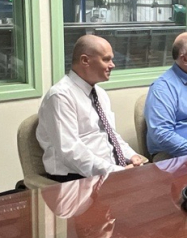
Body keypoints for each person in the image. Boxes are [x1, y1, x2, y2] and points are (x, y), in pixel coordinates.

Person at [37, 34, 143, 181]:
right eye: (106, 59)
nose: (112, 65)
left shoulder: (100, 93)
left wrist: (131, 155)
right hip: (75, 177)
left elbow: (110, 134)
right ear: (85, 60)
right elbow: (71, 152)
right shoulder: (60, 96)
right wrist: (114, 172)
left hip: (109, 169)